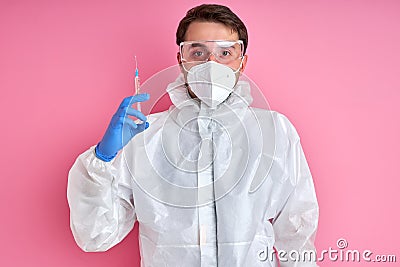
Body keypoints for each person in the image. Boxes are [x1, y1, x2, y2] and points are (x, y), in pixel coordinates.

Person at [67, 4, 319, 267]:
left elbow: (296, 229)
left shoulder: (274, 131)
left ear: (242, 62)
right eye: (198, 52)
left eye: (225, 52)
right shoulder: (144, 136)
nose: (211, 64)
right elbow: (96, 235)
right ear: (181, 60)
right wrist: (102, 158)